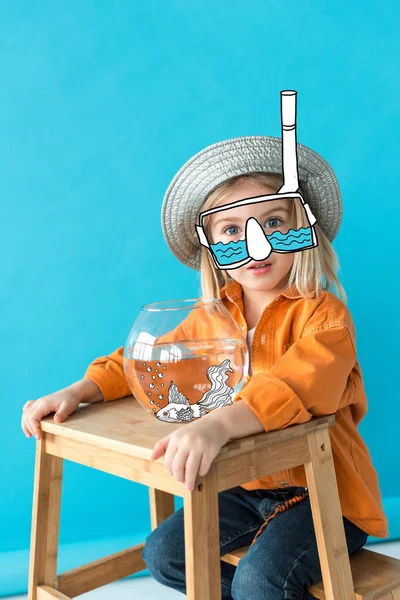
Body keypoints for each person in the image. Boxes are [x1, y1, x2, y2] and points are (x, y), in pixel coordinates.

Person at [21, 92, 389, 600]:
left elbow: (298, 386)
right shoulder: (212, 318)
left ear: (303, 229)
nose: (255, 243)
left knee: (261, 580)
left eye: (275, 223)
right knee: (165, 556)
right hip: (243, 486)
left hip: (325, 494)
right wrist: (82, 389)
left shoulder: (325, 316)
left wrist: (216, 425)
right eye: (233, 229)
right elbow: (148, 361)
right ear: (212, 250)